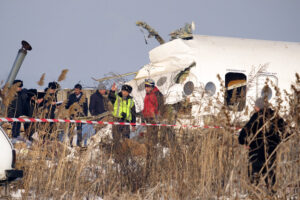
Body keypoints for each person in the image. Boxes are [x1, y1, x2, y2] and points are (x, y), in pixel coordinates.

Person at [238, 97, 289, 192]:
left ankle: (253, 195)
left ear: (259, 107)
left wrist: (244, 142)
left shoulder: (256, 116)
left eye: (255, 106)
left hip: (256, 152)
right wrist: (276, 141)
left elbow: (243, 133)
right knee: (270, 180)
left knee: (253, 181)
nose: (254, 107)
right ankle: (272, 195)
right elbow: (288, 133)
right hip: (270, 153)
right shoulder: (275, 117)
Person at [142, 78, 164, 145]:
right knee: (148, 136)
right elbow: (146, 106)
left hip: (153, 118)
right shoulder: (147, 94)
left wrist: (158, 117)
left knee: (153, 136)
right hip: (147, 117)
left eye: (148, 87)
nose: (146, 88)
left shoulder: (157, 94)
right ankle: (149, 149)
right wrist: (143, 116)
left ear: (152, 87)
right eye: (145, 87)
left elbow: (160, 106)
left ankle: (154, 149)